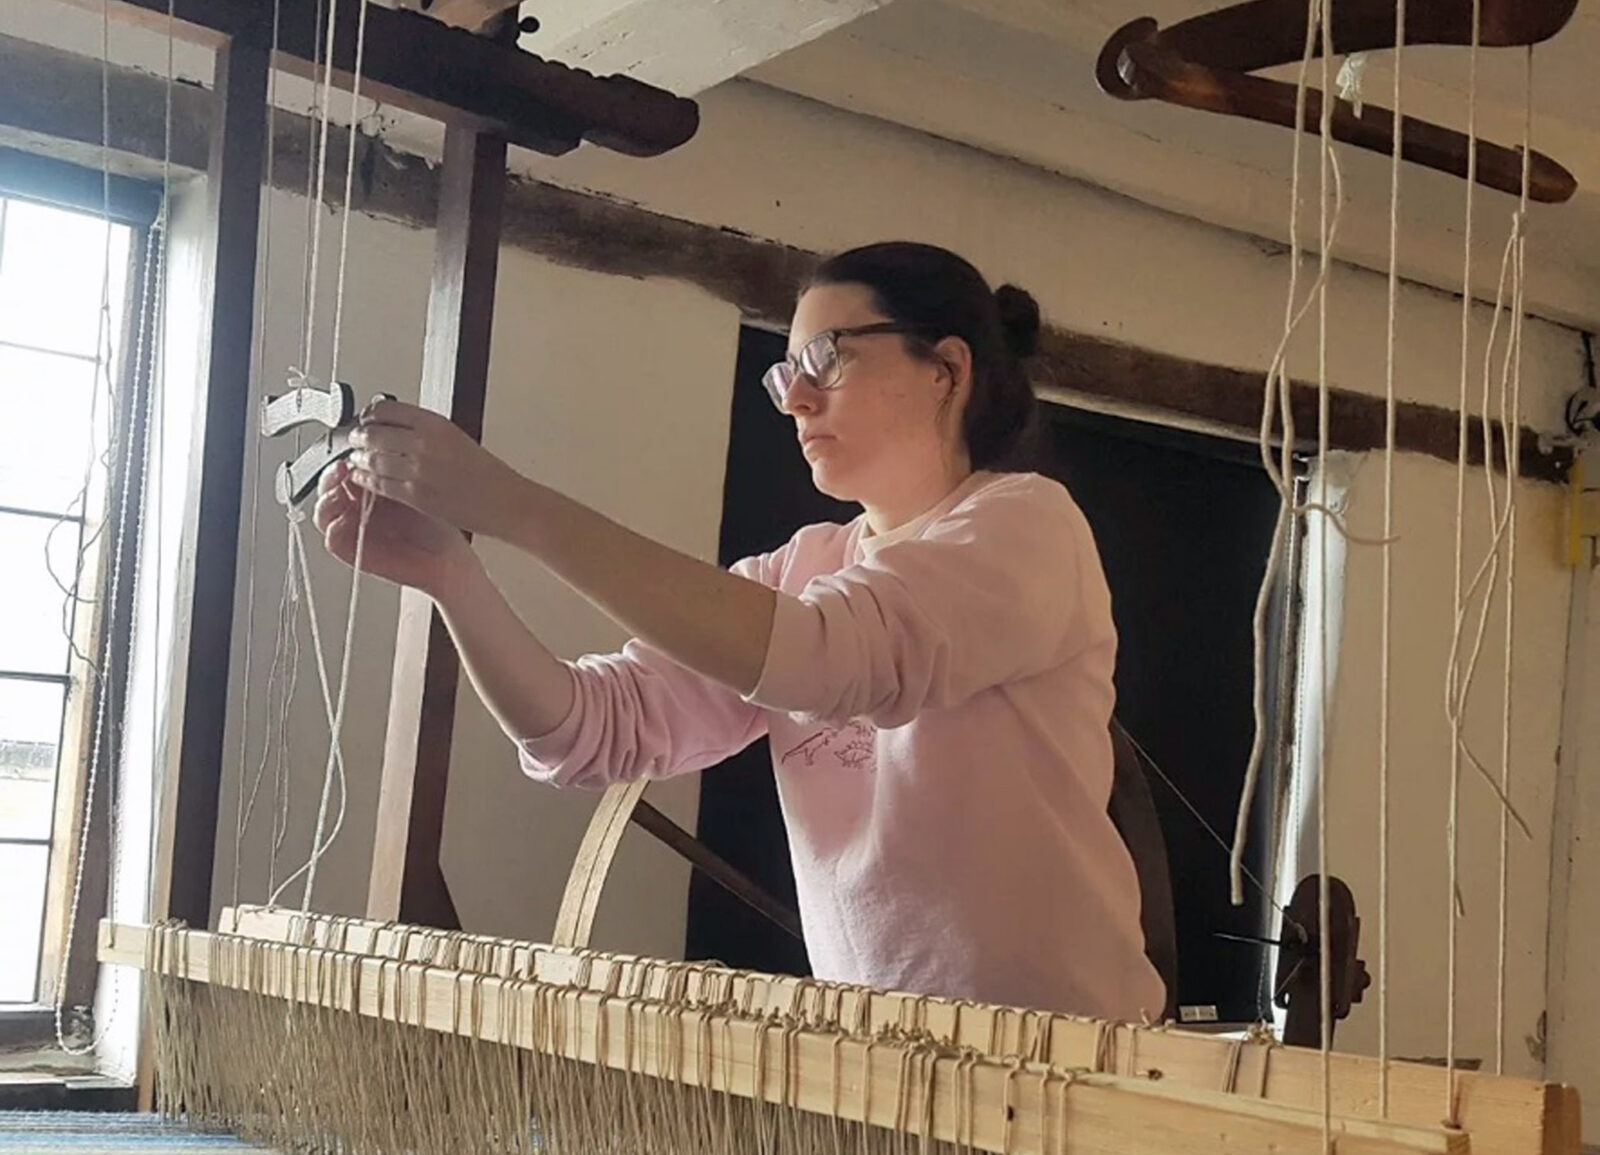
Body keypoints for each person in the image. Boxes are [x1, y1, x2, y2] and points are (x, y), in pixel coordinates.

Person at [315, 241, 1164, 1022]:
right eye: (787, 372)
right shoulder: (802, 570)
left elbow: (828, 660)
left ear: (946, 369)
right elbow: (586, 730)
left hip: (1063, 1062)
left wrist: (513, 506)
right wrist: (452, 576)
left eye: (827, 358)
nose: (794, 397)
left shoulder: (1026, 524)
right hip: (889, 1063)